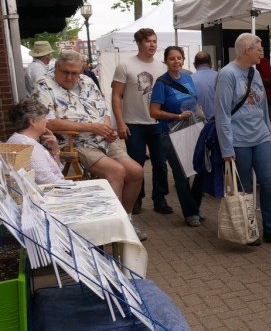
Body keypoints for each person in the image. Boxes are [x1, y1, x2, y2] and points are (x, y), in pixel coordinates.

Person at [34, 50, 147, 240]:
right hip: (71, 142)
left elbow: (104, 112)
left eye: (75, 73)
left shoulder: (87, 82)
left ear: (81, 70)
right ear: (56, 67)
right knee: (116, 172)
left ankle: (125, 219)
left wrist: (106, 129)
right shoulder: (44, 84)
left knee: (136, 172)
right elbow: (48, 123)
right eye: (65, 72)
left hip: (100, 139)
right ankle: (107, 227)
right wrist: (92, 127)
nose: (70, 77)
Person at [215, 33, 271, 246]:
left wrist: (270, 137)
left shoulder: (254, 73)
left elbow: (262, 108)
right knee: (245, 187)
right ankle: (248, 229)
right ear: (247, 50)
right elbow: (222, 114)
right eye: (259, 48)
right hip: (239, 140)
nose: (262, 52)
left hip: (261, 137)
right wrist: (226, 148)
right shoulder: (227, 74)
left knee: (269, 182)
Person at [111, 28, 172, 216]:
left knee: (160, 163)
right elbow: (116, 96)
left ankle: (160, 199)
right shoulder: (125, 66)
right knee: (136, 165)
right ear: (138, 43)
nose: (152, 45)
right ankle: (136, 199)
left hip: (157, 123)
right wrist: (120, 123)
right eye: (148, 41)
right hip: (133, 123)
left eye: (154, 41)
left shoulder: (163, 68)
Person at [149, 46, 203, 227]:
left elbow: (195, 103)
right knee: (181, 175)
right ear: (166, 61)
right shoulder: (161, 83)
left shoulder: (188, 78)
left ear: (184, 59)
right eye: (172, 58)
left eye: (179, 58)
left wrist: (200, 119)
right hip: (171, 132)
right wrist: (177, 116)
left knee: (201, 169)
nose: (176, 61)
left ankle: (195, 205)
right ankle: (190, 213)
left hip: (192, 128)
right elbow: (154, 112)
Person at [7, 97, 65, 185]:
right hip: (48, 194)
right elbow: (47, 180)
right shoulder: (27, 145)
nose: (47, 121)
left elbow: (55, 171)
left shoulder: (18, 140)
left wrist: (55, 148)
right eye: (44, 117)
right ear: (33, 121)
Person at [191, 51, 218, 119]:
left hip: (198, 123)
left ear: (194, 65)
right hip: (218, 122)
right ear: (211, 64)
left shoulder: (189, 80)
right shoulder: (221, 76)